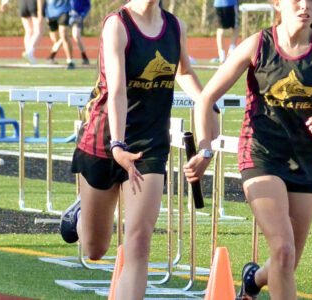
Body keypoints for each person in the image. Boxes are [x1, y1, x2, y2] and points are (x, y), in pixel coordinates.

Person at [184, 0, 312, 298]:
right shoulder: (258, 44)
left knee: (285, 262)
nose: (305, 6)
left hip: (306, 162)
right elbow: (206, 98)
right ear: (278, 3)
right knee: (283, 248)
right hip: (260, 155)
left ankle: (253, 280)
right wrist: (205, 149)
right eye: (296, 0)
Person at [58, 0, 218, 299]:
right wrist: (117, 144)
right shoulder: (117, 25)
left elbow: (183, 71)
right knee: (95, 248)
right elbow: (117, 90)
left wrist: (207, 102)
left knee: (139, 242)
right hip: (104, 141)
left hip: (150, 146)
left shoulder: (175, 27)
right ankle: (80, 214)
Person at [0, 0, 46, 64]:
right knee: (39, 31)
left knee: (28, 31)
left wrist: (4, 2)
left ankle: (29, 56)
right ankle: (29, 52)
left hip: (23, 3)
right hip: (34, 3)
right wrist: (40, 12)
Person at [47, 0, 90, 65]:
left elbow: (87, 6)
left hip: (77, 18)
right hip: (67, 16)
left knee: (76, 36)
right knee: (63, 36)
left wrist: (82, 16)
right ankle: (51, 56)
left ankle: (84, 57)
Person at [42, 0, 75, 69]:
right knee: (55, 39)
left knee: (64, 35)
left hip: (64, 11)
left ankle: (70, 61)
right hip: (51, 14)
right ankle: (51, 57)